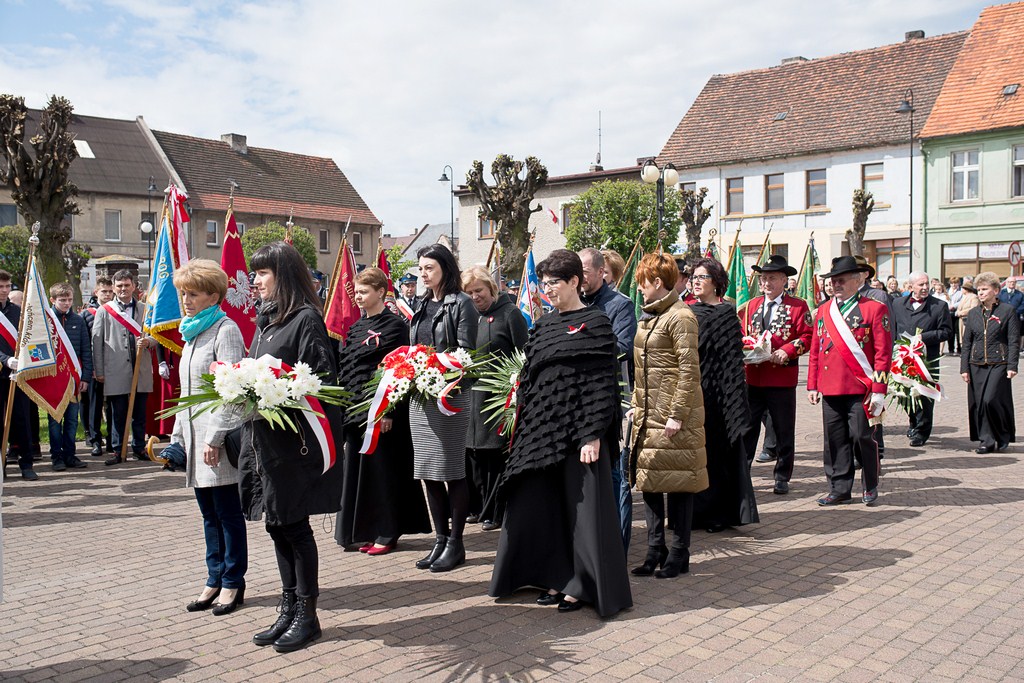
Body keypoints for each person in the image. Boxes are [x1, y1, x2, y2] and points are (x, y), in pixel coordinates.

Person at [489, 249, 632, 616]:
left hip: (578, 434)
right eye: (544, 283)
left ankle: (582, 584)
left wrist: (592, 434)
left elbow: (602, 384)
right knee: (546, 508)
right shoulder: (543, 324)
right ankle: (554, 576)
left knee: (581, 513)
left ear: (574, 282)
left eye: (555, 282)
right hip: (541, 432)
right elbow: (531, 377)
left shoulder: (597, 322)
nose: (547, 289)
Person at [239, 242, 345, 653]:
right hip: (264, 442)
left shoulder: (306, 320)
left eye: (263, 273)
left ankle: (308, 615)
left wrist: (277, 392)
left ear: (283, 275)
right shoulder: (266, 322)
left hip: (293, 444)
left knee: (295, 528)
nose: (256, 280)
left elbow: (318, 382)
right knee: (275, 524)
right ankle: (286, 607)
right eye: (255, 273)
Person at [171, 260, 248, 616]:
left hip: (216, 440)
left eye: (193, 293)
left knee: (227, 513)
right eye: (183, 292)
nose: (186, 299)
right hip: (195, 437)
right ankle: (213, 576)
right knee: (208, 515)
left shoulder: (225, 329)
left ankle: (233, 581)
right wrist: (177, 437)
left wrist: (214, 438)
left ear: (213, 295)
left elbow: (233, 392)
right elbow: (186, 391)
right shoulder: (191, 331)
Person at [335, 267, 430, 554]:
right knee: (359, 473)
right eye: (357, 292)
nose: (359, 297)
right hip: (355, 412)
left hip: (382, 414)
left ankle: (388, 531)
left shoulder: (395, 325)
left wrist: (387, 410)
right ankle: (366, 528)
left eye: (364, 292)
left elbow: (398, 371)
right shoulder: (354, 328)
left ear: (380, 292)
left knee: (384, 473)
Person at [629, 253, 707, 579]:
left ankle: (679, 552)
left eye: (643, 284)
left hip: (673, 416)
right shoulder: (650, 316)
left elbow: (689, 371)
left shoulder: (681, 317)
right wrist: (635, 406)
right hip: (647, 414)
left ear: (657, 283)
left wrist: (676, 414)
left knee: (678, 485)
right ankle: (654, 549)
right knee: (649, 482)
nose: (640, 290)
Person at [408, 244, 477, 573]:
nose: (423, 274)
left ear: (445, 269)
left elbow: (467, 354)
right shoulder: (421, 303)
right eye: (420, 268)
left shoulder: (461, 304)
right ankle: (440, 538)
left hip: (449, 398)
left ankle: (456, 543)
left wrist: (437, 369)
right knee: (427, 473)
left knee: (451, 471)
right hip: (420, 398)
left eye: (429, 268)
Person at [807, 256, 892, 506]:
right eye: (833, 281)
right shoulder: (824, 310)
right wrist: (813, 384)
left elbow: (883, 354)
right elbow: (815, 350)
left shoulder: (874, 308)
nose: (836, 285)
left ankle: (870, 484)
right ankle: (839, 488)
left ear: (858, 279)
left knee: (862, 437)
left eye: (841, 280)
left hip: (862, 388)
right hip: (831, 388)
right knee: (834, 440)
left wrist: (879, 391)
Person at [689, 258, 758, 530]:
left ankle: (719, 513)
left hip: (718, 396)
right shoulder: (687, 312)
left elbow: (731, 360)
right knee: (695, 455)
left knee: (717, 457)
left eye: (702, 277)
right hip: (693, 391)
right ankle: (693, 512)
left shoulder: (726, 314)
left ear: (716, 282)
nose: (695, 281)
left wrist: (732, 401)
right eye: (693, 277)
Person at [579, 247, 637, 552]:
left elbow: (623, 347)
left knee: (614, 472)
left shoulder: (619, 305)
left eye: (586, 271)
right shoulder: (572, 303)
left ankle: (616, 544)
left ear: (602, 272)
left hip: (611, 400)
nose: (580, 277)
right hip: (576, 403)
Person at [738, 255, 812, 495]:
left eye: (772, 278)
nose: (766, 283)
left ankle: (782, 475)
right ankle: (742, 472)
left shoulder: (798, 306)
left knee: (783, 429)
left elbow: (807, 336)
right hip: (753, 377)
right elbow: (741, 335)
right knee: (747, 429)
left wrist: (787, 350)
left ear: (783, 280)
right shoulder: (750, 306)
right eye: (763, 278)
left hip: (781, 379)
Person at [462, 266, 527, 531]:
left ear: (491, 288)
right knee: (473, 454)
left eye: (479, 291)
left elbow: (523, 355)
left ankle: (494, 510)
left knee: (493, 456)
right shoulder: (468, 317)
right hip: (470, 396)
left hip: (498, 397)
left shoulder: (510, 314)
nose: (475, 297)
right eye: (469, 293)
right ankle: (475, 506)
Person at [93, 270, 155, 466]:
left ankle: (138, 447)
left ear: (133, 287)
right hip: (116, 369)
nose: (123, 289)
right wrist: (99, 371)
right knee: (118, 414)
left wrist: (149, 342)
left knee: (139, 414)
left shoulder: (145, 309)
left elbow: (157, 335)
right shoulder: (105, 310)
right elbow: (97, 342)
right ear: (113, 287)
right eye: (119, 286)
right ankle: (118, 450)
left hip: (141, 368)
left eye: (127, 285)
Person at [891, 272, 952, 447]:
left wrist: (923, 337)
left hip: (927, 360)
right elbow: (893, 328)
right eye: (920, 285)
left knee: (925, 395)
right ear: (910, 287)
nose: (925, 288)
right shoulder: (897, 304)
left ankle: (922, 431)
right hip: (903, 358)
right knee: (905, 393)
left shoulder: (939, 306)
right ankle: (913, 422)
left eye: (926, 284)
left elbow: (947, 332)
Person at [961, 272, 1019, 453]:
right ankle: (986, 440)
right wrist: (964, 368)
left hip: (999, 363)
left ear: (996, 290)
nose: (981, 293)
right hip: (976, 363)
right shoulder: (973, 314)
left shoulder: (1007, 311)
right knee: (979, 402)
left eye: (985, 289)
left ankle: (1002, 433)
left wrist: (1012, 365)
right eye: (979, 290)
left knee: (990, 400)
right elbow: (967, 342)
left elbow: (1013, 340)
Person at [47, 283, 92, 472]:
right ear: (53, 300)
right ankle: (56, 456)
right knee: (55, 419)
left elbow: (85, 351)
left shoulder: (78, 320)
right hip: (53, 379)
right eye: (62, 300)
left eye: (69, 300)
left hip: (74, 378)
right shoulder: (47, 321)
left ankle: (70, 454)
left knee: (72, 419)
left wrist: (86, 377)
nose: (66, 303)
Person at [0, 269, 35, 481]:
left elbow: (26, 340)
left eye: (7, 286)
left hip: (17, 375)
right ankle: (0, 467)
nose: (4, 291)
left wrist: (22, 362)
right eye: (0, 287)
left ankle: (27, 463)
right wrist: (5, 360)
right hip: (2, 370)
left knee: (23, 420)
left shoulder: (18, 312)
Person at [83, 277, 114, 456]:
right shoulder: (87, 314)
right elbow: (87, 343)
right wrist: (92, 367)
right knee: (94, 405)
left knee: (113, 406)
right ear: (96, 292)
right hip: (95, 367)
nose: (108, 294)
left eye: (110, 291)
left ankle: (112, 440)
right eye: (104, 291)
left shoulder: (118, 312)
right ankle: (95, 439)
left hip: (113, 367)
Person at [948, 277, 965, 355]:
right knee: (950, 332)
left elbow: (962, 301)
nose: (953, 285)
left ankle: (959, 349)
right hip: (948, 313)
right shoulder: (948, 291)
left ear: (958, 283)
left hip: (957, 313)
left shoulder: (961, 292)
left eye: (955, 283)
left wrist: (954, 306)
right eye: (952, 283)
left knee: (958, 332)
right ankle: (950, 349)